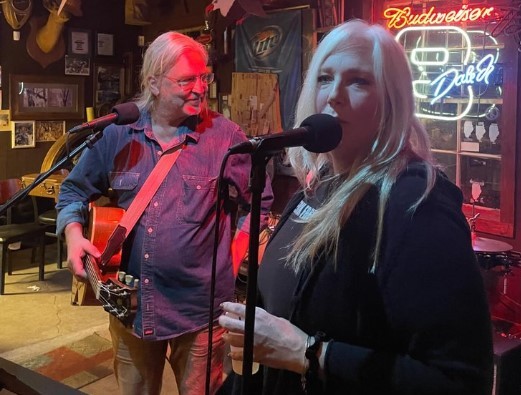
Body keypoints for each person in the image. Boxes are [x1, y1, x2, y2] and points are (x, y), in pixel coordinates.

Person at [218, 19, 493, 395]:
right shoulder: (317, 190)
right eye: (325, 78)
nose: (334, 95)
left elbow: (459, 380)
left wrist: (307, 353)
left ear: (391, 101)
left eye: (359, 81)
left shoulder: (415, 204)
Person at [56, 31, 273, 395]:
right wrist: (74, 236)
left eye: (204, 77)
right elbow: (74, 190)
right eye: (187, 79)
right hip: (131, 309)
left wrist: (235, 255)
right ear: (154, 82)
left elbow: (259, 201)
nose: (200, 88)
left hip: (200, 312)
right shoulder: (117, 134)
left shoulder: (226, 138)